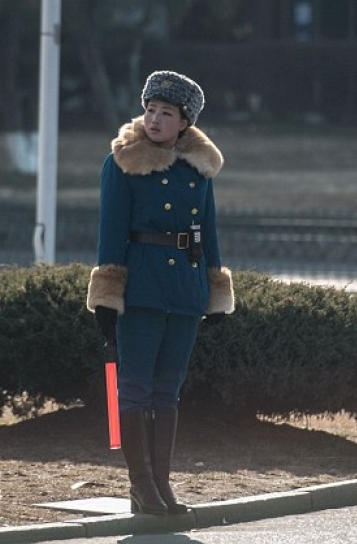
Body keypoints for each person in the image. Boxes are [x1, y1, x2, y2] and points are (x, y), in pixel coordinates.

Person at [86, 70, 234, 515]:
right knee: (135, 389)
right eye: (150, 109)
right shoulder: (123, 161)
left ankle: (163, 485)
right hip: (143, 288)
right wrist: (108, 296)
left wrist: (215, 290)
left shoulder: (199, 167)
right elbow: (110, 232)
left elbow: (208, 230)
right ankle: (141, 486)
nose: (153, 119)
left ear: (184, 122)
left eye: (165, 113)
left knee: (167, 391)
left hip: (186, 290)